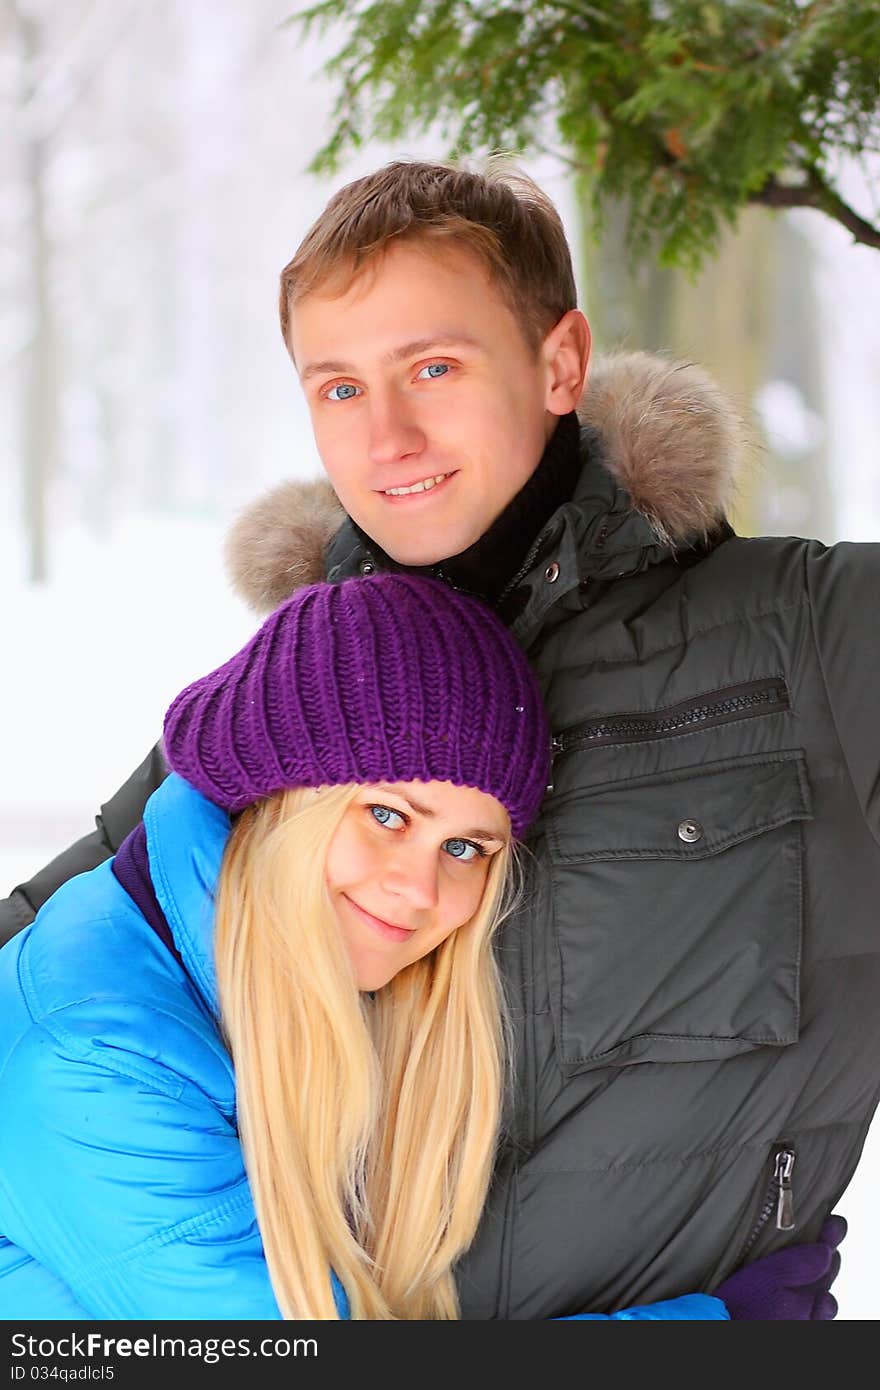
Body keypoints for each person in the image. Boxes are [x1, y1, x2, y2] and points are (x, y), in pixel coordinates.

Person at [2, 158, 870, 1319]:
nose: (390, 437)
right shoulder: (307, 687)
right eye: (340, 389)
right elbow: (52, 965)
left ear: (560, 361)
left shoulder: (809, 640)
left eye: (433, 367)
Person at [0, 573, 731, 1321]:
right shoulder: (94, 1054)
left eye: (466, 847)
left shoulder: (290, 978)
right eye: (386, 814)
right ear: (278, 802)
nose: (420, 889)